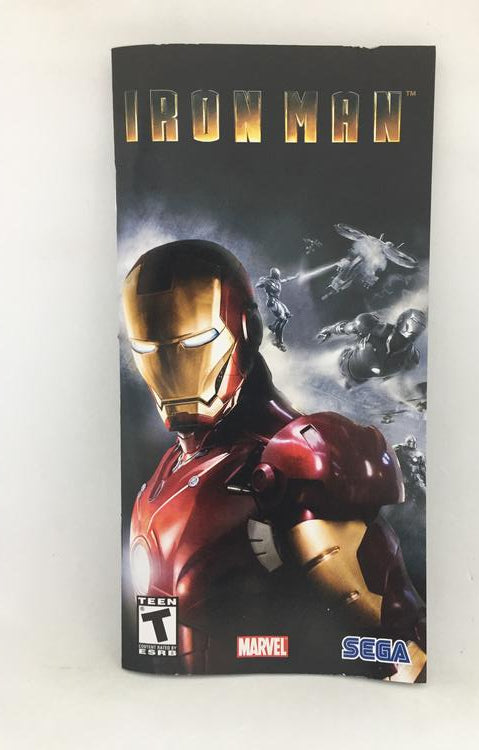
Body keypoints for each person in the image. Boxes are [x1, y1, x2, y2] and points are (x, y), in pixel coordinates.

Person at [122, 239, 426, 679]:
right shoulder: (166, 475)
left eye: (196, 342)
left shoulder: (297, 458)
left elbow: (400, 647)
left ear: (244, 331)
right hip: (181, 704)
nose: (173, 367)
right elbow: (160, 633)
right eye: (149, 350)